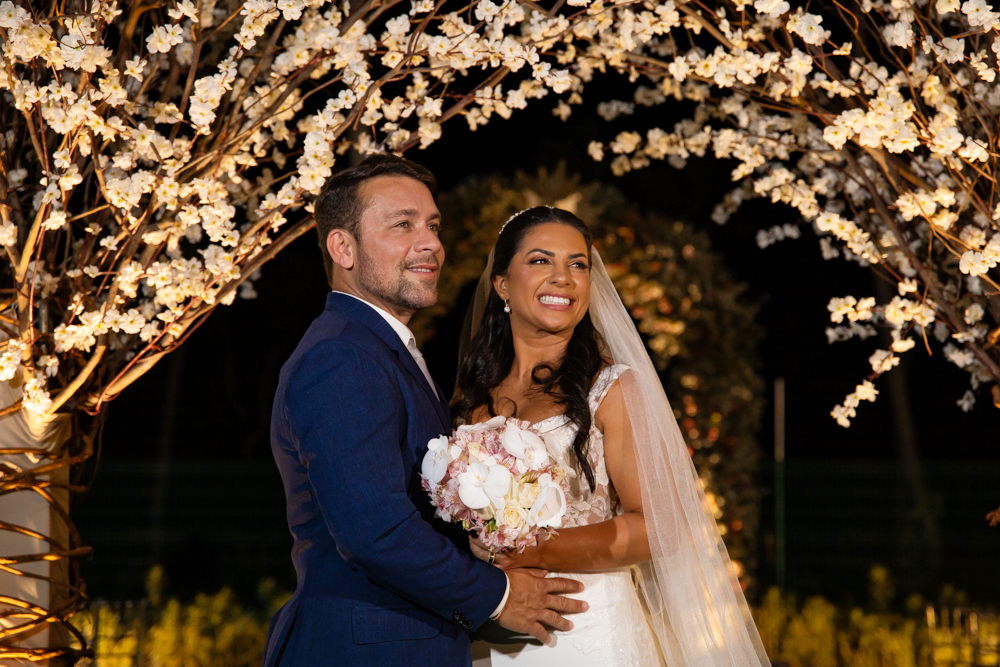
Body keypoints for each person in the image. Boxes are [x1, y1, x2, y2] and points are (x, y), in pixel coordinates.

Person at [264, 158, 587, 667]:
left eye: (433, 226)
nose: (431, 243)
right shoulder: (341, 356)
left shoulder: (383, 349)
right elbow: (376, 532)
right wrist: (499, 596)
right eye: (403, 225)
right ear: (343, 248)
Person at [455, 207, 772, 666]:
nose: (563, 277)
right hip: (495, 631)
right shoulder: (470, 402)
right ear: (502, 283)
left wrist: (533, 550)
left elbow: (659, 528)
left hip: (589, 632)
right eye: (541, 260)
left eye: (578, 264)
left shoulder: (612, 388)